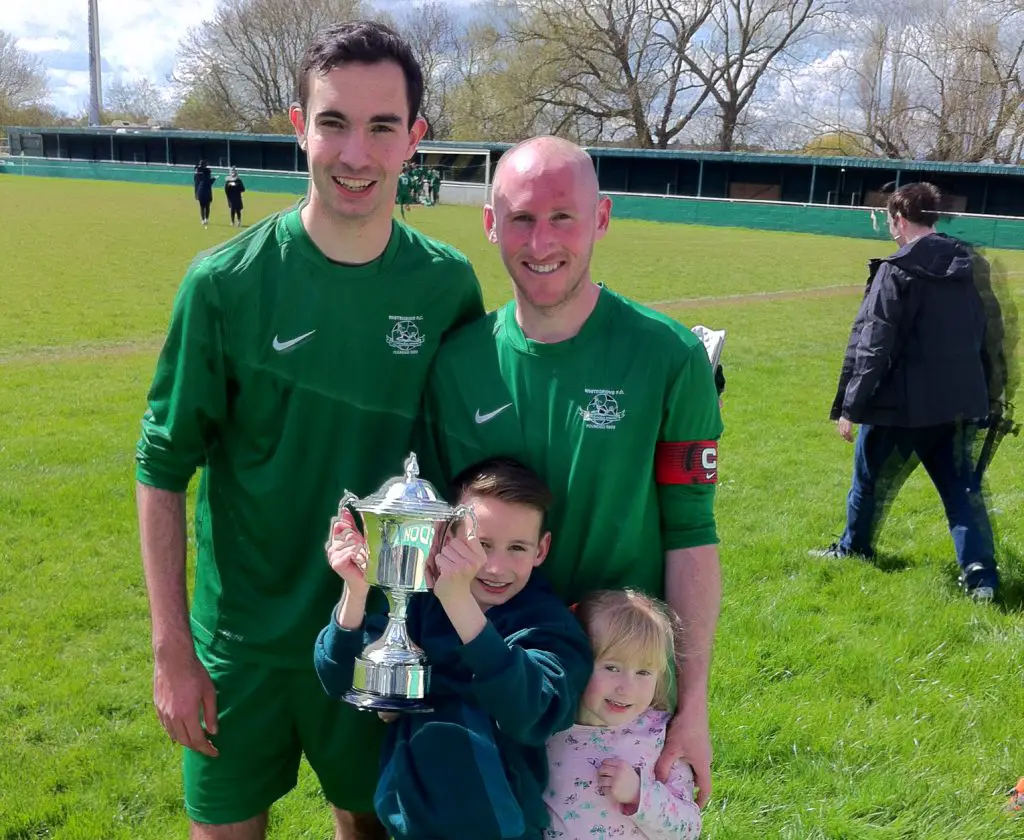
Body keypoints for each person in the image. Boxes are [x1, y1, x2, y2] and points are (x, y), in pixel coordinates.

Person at [135, 20, 484, 840]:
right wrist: (171, 650)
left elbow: (467, 470)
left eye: (381, 127)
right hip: (242, 644)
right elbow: (160, 469)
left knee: (369, 829)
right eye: (333, 122)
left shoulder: (446, 288)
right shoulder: (224, 285)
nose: (355, 153)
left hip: (378, 636)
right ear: (299, 126)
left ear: (414, 140)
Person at [422, 136, 723, 809]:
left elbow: (692, 536)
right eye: (522, 218)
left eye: (564, 217)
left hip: (622, 696)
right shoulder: (456, 364)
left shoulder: (669, 357)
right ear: (491, 223)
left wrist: (693, 706)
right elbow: (441, 540)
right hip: (495, 681)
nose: (541, 241)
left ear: (603, 218)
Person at [314, 457, 593, 840]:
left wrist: (460, 603)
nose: (495, 567)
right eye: (481, 544)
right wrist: (355, 591)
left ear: (542, 549)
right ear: (447, 537)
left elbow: (533, 710)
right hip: (412, 823)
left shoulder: (548, 623)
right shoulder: (418, 605)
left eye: (517, 548)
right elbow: (340, 677)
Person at [812, 182, 1000, 602]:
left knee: (867, 483)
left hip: (901, 409)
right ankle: (981, 577)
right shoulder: (972, 264)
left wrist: (851, 407)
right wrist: (989, 396)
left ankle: (853, 548)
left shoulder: (896, 270)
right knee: (961, 491)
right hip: (959, 406)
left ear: (897, 219)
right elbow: (991, 335)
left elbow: (873, 344)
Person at [545, 589, 702, 840]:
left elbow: (689, 829)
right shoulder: (550, 729)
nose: (626, 688)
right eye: (611, 667)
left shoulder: (660, 737)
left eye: (643, 673)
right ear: (580, 661)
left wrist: (640, 795)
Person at [193, 160, 215, 227]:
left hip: (201, 192)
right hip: (206, 193)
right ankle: (206, 219)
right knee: (207, 207)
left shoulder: (198, 174)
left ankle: (203, 220)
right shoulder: (205, 175)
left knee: (202, 207)